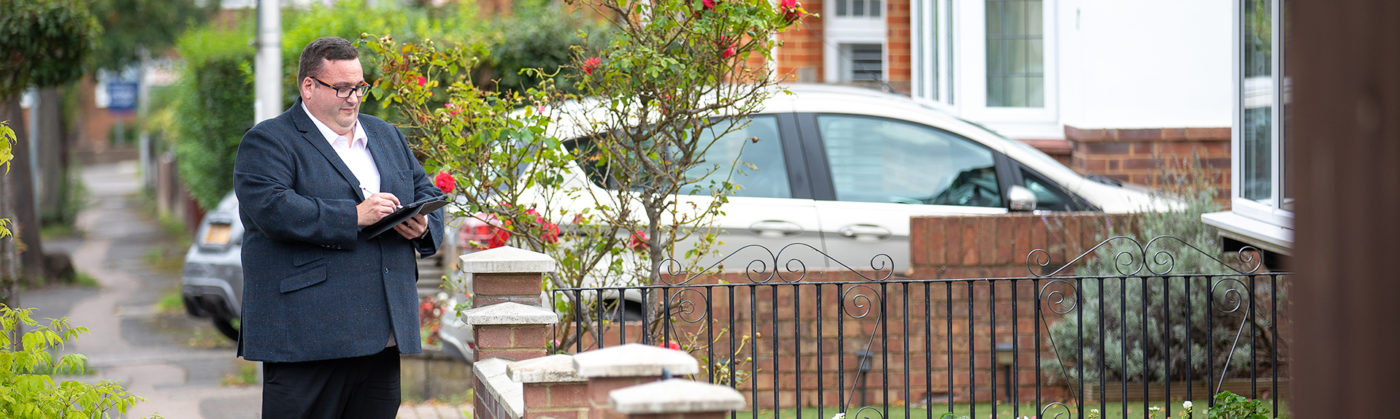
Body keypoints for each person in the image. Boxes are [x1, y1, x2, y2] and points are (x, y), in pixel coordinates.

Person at [233, 36, 445, 418]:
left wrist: (424, 225)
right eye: (342, 88)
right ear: (309, 87)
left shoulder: (385, 135)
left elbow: (425, 189)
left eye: (359, 87)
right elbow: (273, 209)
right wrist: (354, 215)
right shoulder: (267, 141)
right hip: (308, 336)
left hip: (382, 334)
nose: (353, 97)